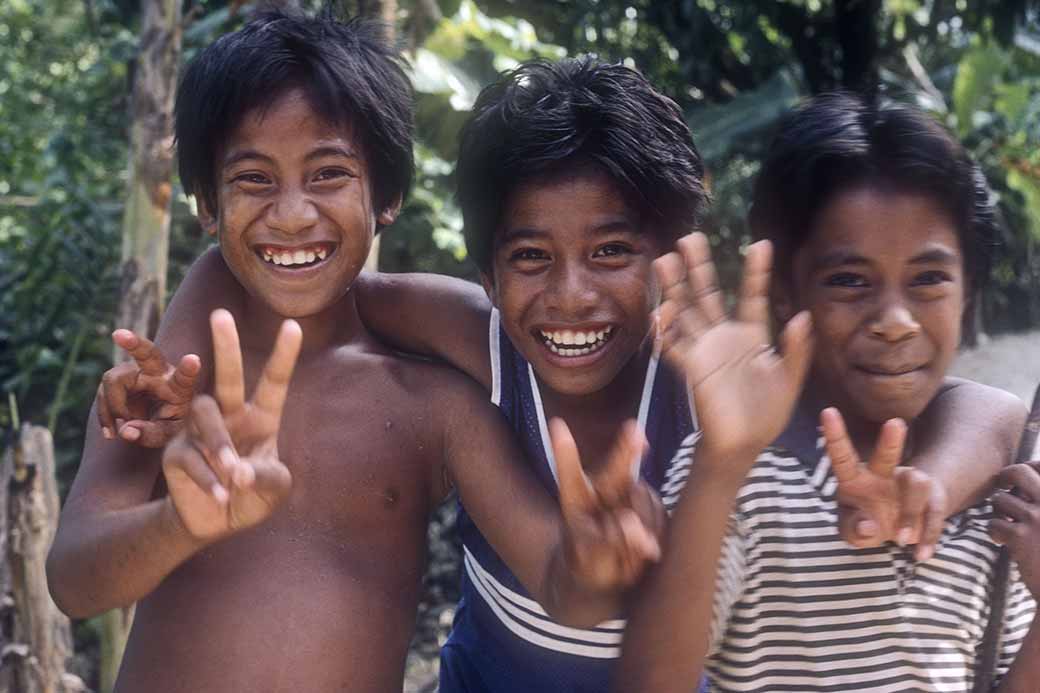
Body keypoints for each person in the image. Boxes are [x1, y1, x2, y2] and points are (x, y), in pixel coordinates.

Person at [94, 58, 1025, 691]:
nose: (571, 298)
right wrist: (167, 374)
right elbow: (287, 258)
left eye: (614, 249)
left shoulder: (725, 373)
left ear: (674, 253)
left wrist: (929, 487)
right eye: (532, 257)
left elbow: (982, 404)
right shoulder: (478, 337)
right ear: (490, 271)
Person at [45, 11, 667, 692]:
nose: (290, 213)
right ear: (206, 202)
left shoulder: (437, 409)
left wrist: (597, 566)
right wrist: (179, 524)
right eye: (253, 178)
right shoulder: (172, 394)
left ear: (388, 196)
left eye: (328, 173)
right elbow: (72, 579)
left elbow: (558, 579)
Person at [617, 92, 1038, 692]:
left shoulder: (1002, 498)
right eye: (848, 280)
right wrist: (722, 463)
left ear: (967, 293)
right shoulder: (745, 478)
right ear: (789, 293)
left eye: (929, 279)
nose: (896, 319)